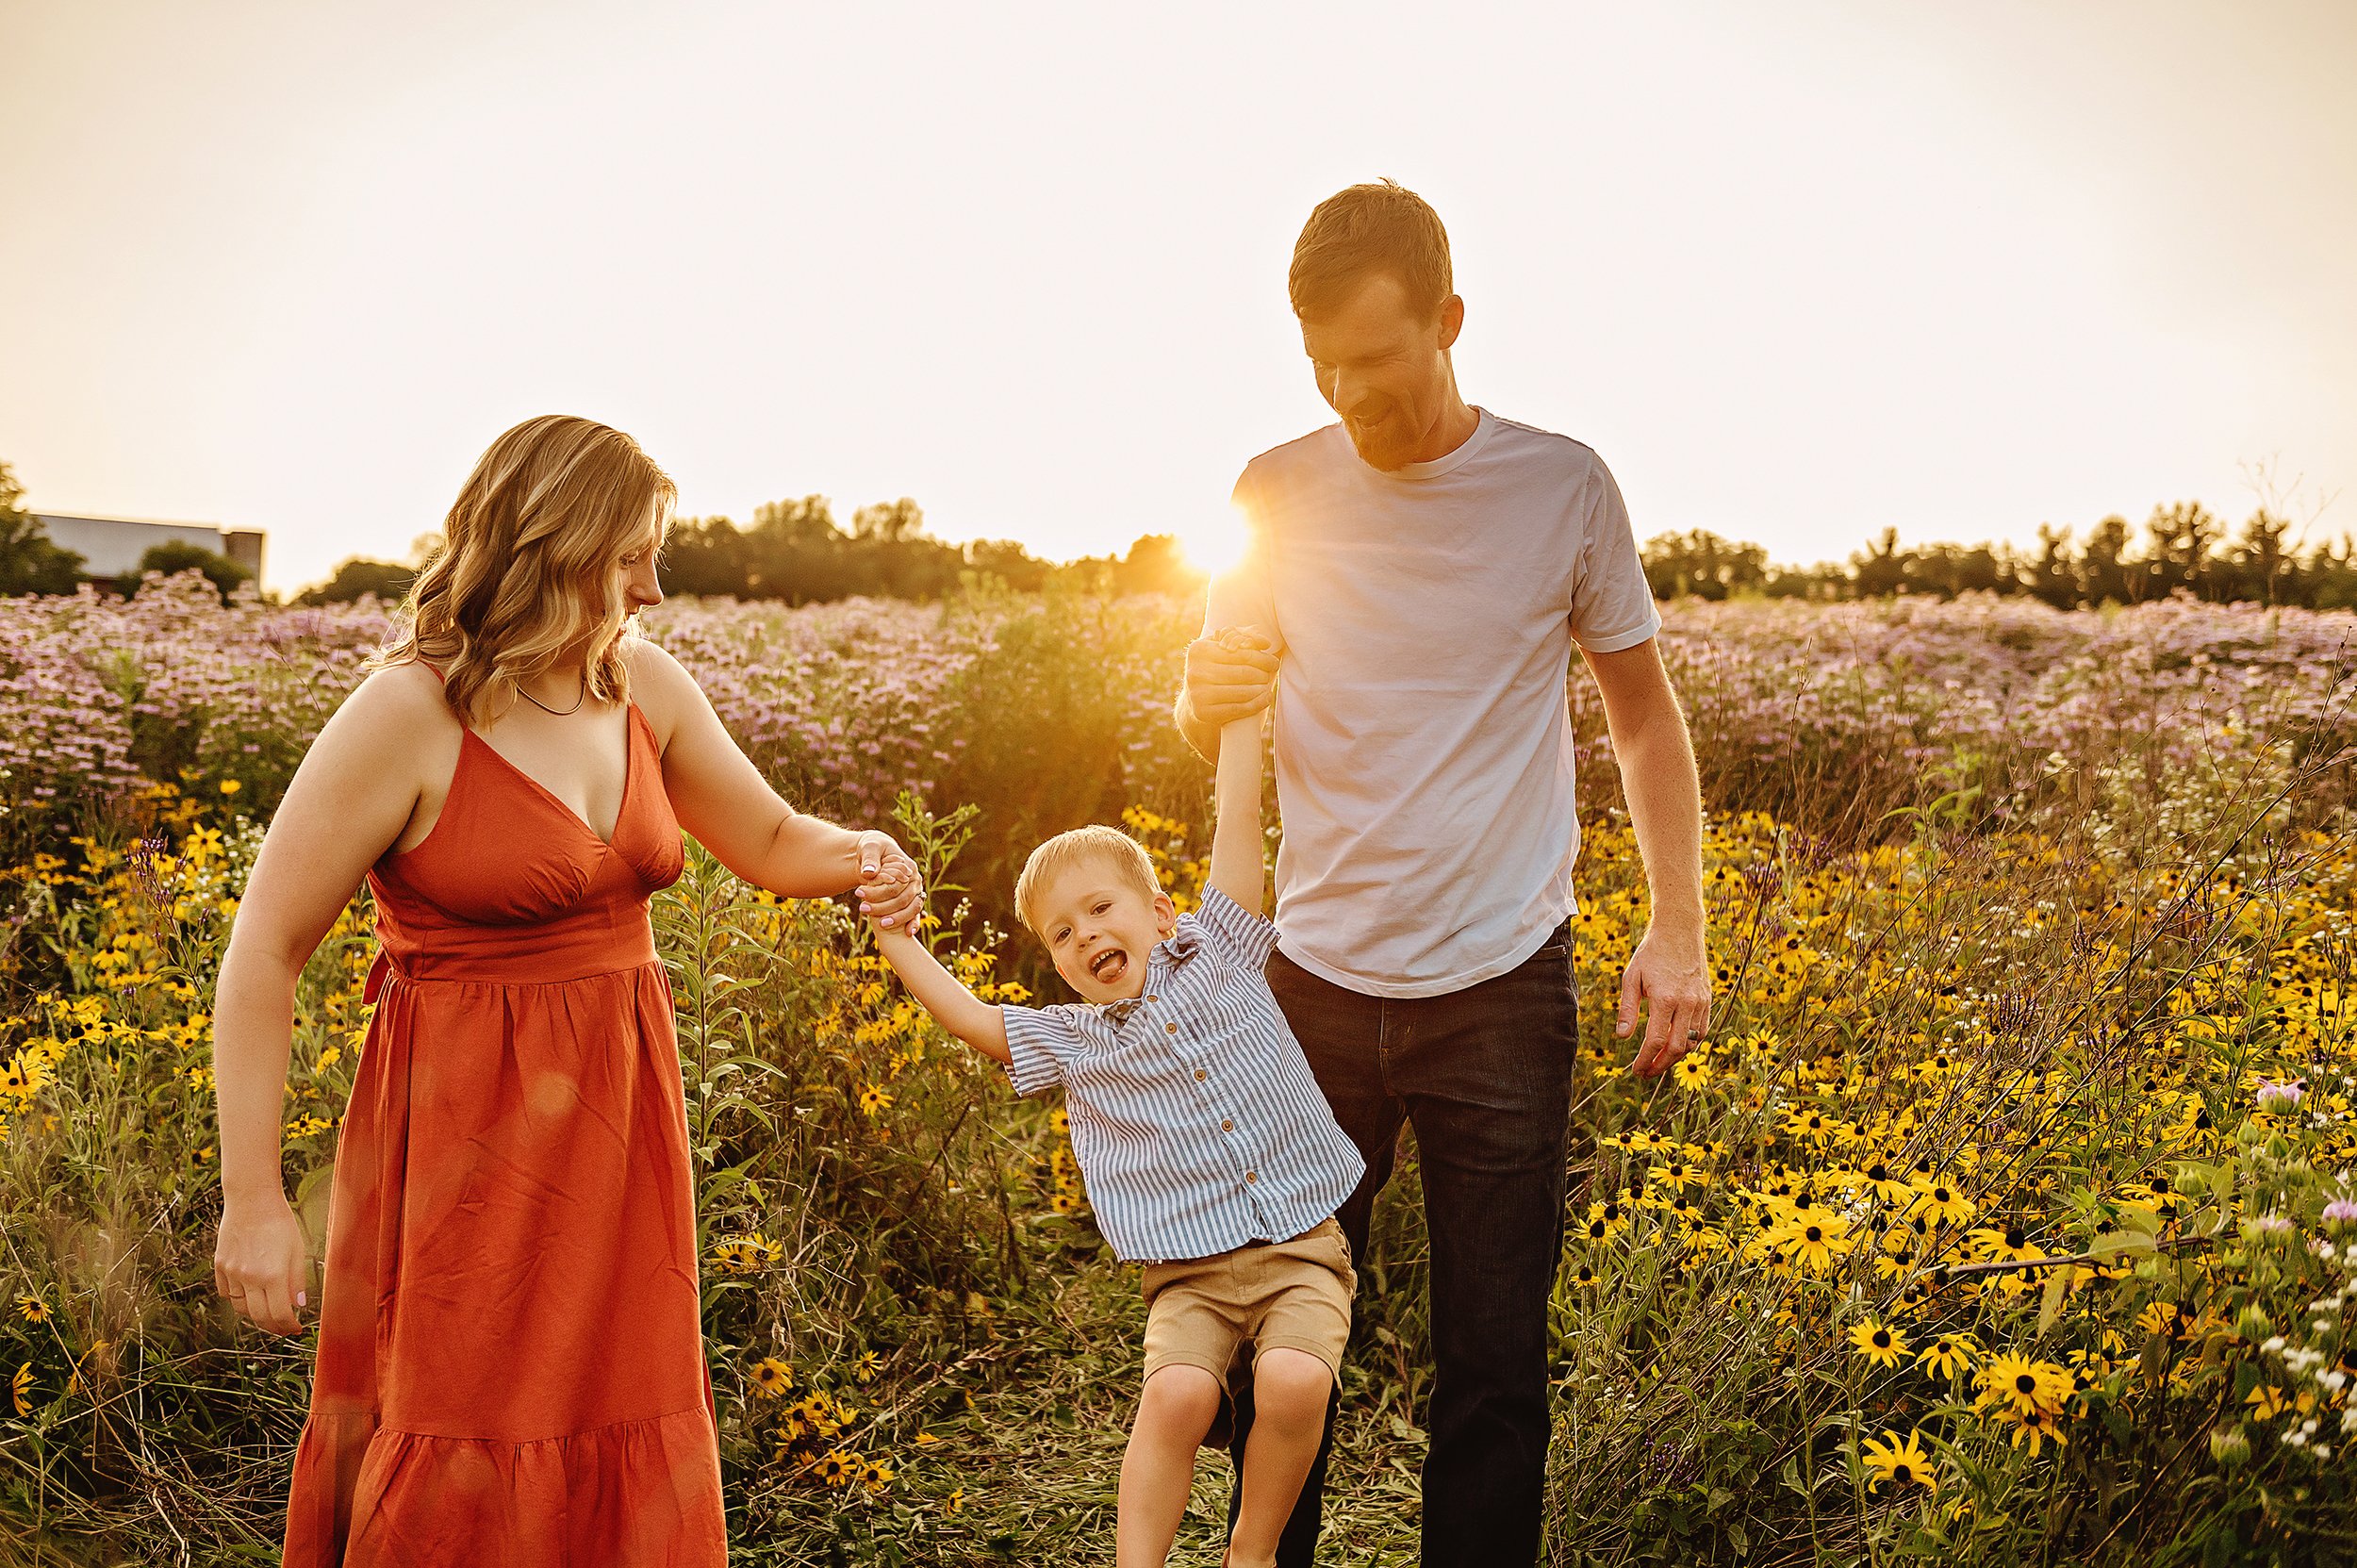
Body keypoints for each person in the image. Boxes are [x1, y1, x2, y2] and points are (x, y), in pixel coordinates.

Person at [209, 414, 924, 1565]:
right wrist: (254, 1200)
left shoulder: (645, 686)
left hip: (623, 1140)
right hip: (462, 1151)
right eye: (632, 554)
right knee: (466, 1429)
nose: (650, 587)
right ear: (553, 542)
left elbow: (780, 839)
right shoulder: (407, 713)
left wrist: (868, 851)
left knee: (616, 1415)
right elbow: (263, 954)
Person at [1176, 180, 1713, 1568]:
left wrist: (1679, 927)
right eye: (1324, 368)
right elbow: (1224, 710)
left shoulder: (1563, 486)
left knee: (1493, 1368)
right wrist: (1196, 700)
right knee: (1278, 1348)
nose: (1353, 392)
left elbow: (1646, 718)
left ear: (1451, 320)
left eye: (1379, 356)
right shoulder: (1275, 490)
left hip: (1501, 987)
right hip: (1312, 989)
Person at [864, 658, 1360, 1568]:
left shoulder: (1224, 954)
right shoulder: (1073, 1040)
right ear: (1056, 965)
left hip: (1301, 1249)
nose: (1087, 933)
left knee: (1295, 1380)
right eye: (1063, 931)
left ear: (1162, 914)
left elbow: (1239, 831)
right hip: (1190, 1278)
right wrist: (895, 933)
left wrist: (1242, 723)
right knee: (1176, 1398)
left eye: (1101, 908)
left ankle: (1249, 1551)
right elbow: (970, 1015)